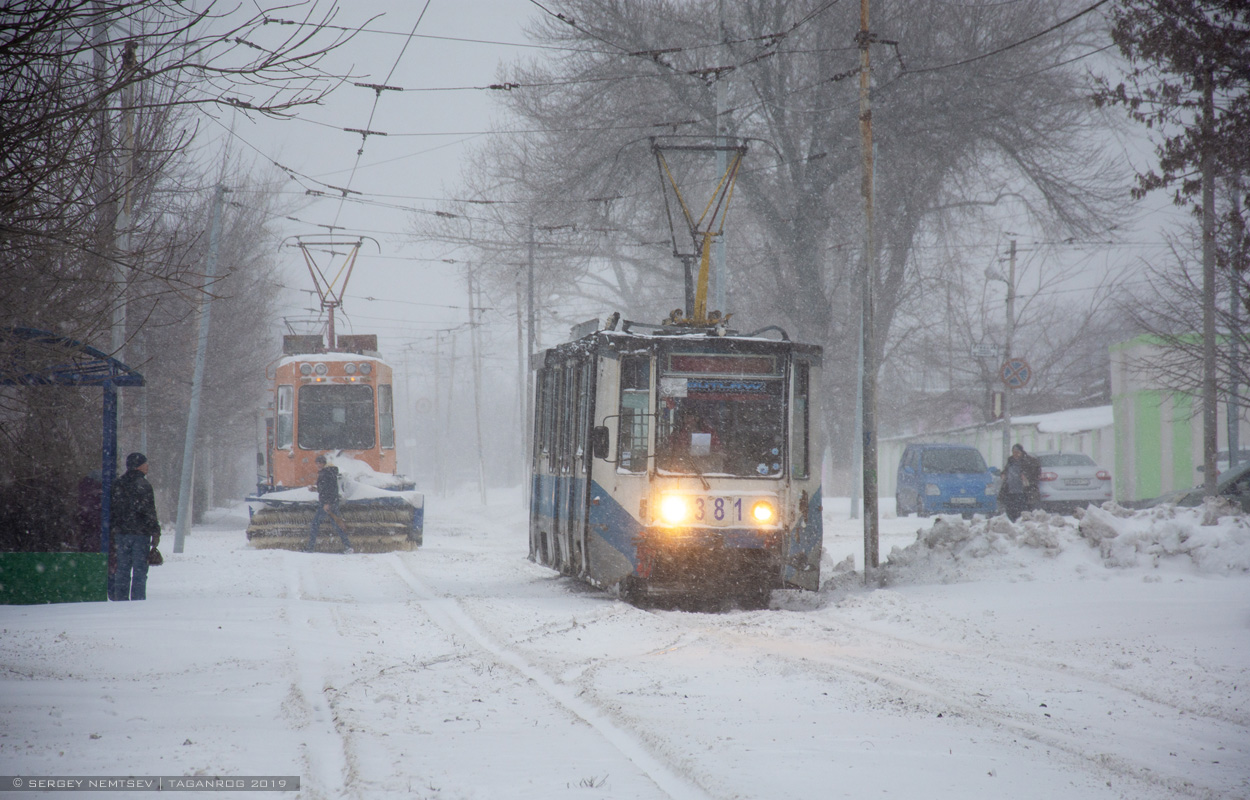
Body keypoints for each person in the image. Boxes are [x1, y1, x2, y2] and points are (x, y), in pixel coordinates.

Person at [110, 452, 161, 601]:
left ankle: (120, 598)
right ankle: (137, 601)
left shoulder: (118, 484)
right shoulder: (144, 485)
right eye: (145, 464)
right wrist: (155, 532)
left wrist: (114, 528)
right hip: (140, 534)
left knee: (122, 569)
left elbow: (113, 509)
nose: (147, 466)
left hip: (121, 533)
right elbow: (149, 511)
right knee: (139, 570)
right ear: (138, 466)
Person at [306, 455, 353, 553]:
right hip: (329, 502)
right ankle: (348, 547)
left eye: (320, 463)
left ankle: (310, 548)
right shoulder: (328, 472)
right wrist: (315, 489)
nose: (318, 465)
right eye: (317, 463)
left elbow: (332, 490)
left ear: (324, 463)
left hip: (327, 504)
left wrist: (327, 503)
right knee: (337, 525)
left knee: (315, 524)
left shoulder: (326, 473)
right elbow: (325, 489)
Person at [998, 443, 1041, 522]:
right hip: (1010, 491)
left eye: (1017, 452)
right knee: (1010, 510)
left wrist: (1027, 477)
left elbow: (1036, 473)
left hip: (1024, 492)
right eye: (1014, 452)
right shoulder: (1010, 461)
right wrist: (1003, 474)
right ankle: (1012, 522)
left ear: (1021, 452)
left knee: (1022, 510)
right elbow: (1006, 470)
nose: (1015, 454)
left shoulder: (1029, 461)